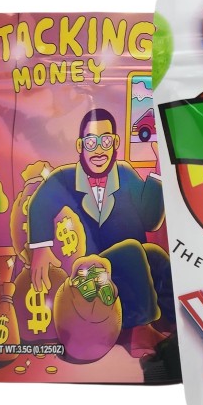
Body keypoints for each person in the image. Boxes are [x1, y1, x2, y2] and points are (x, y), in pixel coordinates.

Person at [28, 108, 172, 357]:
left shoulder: (125, 174)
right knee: (132, 250)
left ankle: (172, 319)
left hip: (126, 274)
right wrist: (41, 248)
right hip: (88, 271)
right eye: (91, 142)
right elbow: (39, 203)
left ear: (115, 143)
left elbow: (150, 220)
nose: (98, 150)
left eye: (105, 141)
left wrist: (159, 171)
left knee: (155, 255)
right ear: (80, 145)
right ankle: (139, 331)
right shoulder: (65, 178)